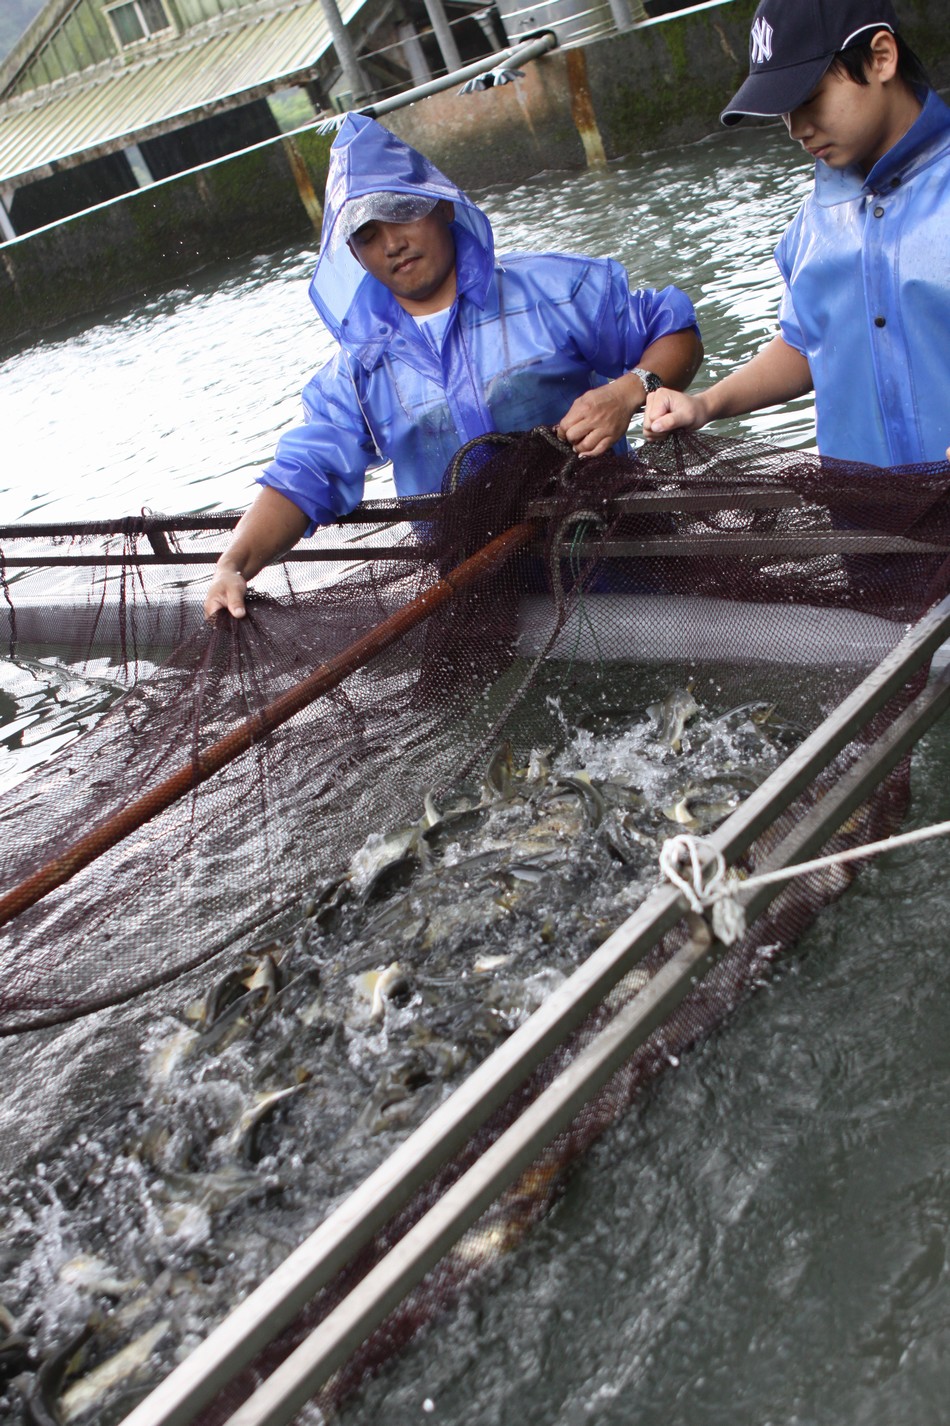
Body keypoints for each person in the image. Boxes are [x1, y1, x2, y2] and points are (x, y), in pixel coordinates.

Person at [205, 114, 702, 619]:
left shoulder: (556, 291)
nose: (391, 243)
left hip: (618, 555)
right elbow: (305, 475)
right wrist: (233, 564)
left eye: (401, 211)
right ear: (353, 253)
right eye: (367, 234)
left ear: (442, 204)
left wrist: (628, 391)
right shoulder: (358, 373)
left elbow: (674, 332)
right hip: (485, 597)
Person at [643, 0, 950, 468]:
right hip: (866, 524)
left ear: (881, 56)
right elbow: (806, 344)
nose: (796, 129)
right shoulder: (809, 226)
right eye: (783, 110)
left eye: (808, 98)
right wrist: (706, 404)